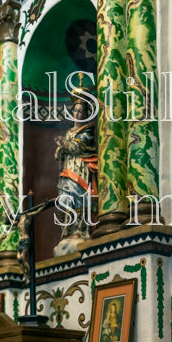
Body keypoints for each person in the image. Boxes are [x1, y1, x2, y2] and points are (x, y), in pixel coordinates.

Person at [53, 81, 98, 255]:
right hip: (68, 170)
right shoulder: (70, 132)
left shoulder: (87, 130)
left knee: (80, 199)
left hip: (80, 169)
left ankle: (81, 229)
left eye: (81, 111)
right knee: (66, 199)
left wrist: (64, 146)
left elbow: (78, 146)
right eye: (75, 111)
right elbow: (63, 150)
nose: (77, 114)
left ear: (86, 114)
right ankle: (68, 231)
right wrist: (60, 150)